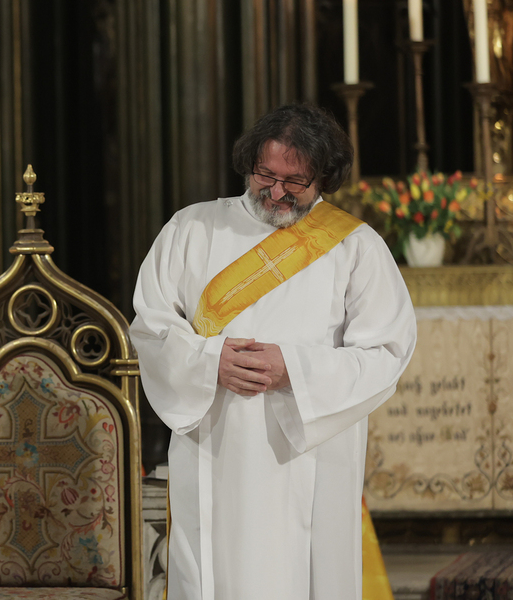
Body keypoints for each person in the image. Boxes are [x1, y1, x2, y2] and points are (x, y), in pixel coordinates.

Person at [130, 104, 417, 600]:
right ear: (249, 163)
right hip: (213, 442)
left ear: (323, 177)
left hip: (309, 453)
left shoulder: (356, 247)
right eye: (265, 174)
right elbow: (151, 328)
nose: (277, 191)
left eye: (295, 181)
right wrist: (209, 363)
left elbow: (387, 352)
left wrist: (295, 370)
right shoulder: (192, 229)